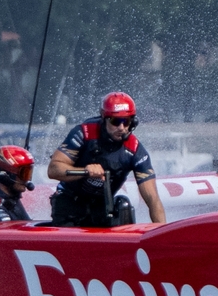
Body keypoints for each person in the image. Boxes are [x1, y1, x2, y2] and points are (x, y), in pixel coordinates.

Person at [47, 92, 166, 226]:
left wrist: (162, 235)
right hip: (69, 202)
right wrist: (85, 171)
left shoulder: (135, 149)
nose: (121, 128)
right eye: (116, 121)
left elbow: (153, 199)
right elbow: (53, 169)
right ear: (104, 118)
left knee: (123, 204)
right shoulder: (84, 133)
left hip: (101, 206)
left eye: (126, 121)